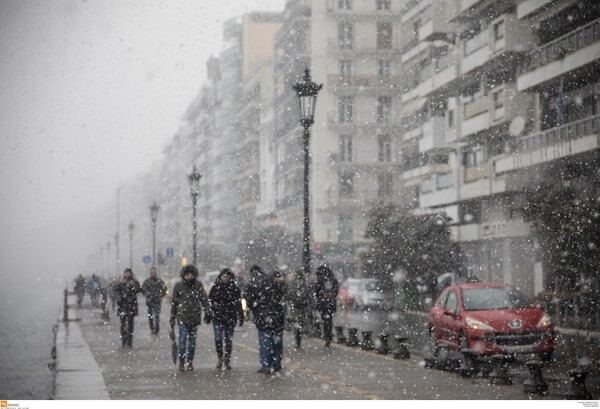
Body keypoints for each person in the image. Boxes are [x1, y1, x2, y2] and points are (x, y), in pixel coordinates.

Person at [170, 264, 212, 371]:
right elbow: (174, 303)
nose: (189, 277)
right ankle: (181, 362)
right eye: (187, 274)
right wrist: (172, 317)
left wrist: (207, 312)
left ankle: (190, 362)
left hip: (194, 318)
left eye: (191, 275)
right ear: (183, 275)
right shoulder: (178, 286)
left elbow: (204, 300)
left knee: (192, 342)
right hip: (182, 317)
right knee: (182, 340)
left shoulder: (198, 285)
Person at [244, 265, 285, 374]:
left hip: (262, 317)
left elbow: (249, 301)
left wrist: (255, 310)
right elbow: (280, 294)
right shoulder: (272, 280)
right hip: (277, 315)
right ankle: (277, 364)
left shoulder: (251, 283)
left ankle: (266, 365)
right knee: (277, 341)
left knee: (265, 341)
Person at [207, 268, 244, 370]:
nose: (225, 278)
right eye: (223, 276)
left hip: (230, 317)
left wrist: (241, 316)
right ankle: (220, 358)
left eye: (227, 277)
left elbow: (238, 303)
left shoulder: (234, 288)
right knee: (218, 338)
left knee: (228, 340)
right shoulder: (216, 287)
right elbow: (210, 301)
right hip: (218, 317)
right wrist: (209, 314)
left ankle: (227, 359)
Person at [112, 268, 141, 347]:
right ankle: (123, 340)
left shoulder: (134, 281)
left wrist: (134, 285)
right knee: (123, 324)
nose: (127, 274)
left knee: (130, 324)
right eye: (126, 273)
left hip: (131, 306)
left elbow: (139, 290)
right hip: (122, 305)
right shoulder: (121, 281)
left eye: (128, 273)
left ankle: (129, 340)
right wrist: (118, 283)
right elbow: (114, 289)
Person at [313, 264, 339, 347]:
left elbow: (316, 292)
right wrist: (331, 296)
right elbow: (336, 291)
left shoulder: (320, 280)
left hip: (323, 304)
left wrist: (321, 296)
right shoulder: (333, 280)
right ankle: (328, 335)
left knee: (325, 320)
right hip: (330, 303)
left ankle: (327, 335)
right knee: (329, 320)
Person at [286, 269, 313, 349]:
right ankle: (299, 338)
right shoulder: (305, 284)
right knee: (301, 322)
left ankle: (297, 339)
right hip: (303, 307)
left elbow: (289, 295)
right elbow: (310, 295)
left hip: (295, 307)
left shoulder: (292, 284)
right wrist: (311, 305)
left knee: (296, 322)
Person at [141, 266, 168, 334]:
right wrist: (148, 294)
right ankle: (152, 328)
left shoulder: (159, 281)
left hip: (157, 301)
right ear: (150, 273)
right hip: (149, 301)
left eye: (154, 272)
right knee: (150, 316)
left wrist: (160, 295)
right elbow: (143, 289)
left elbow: (165, 288)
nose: (153, 274)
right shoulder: (147, 281)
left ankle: (157, 329)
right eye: (152, 272)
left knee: (157, 316)